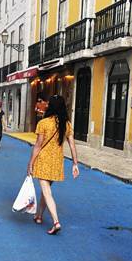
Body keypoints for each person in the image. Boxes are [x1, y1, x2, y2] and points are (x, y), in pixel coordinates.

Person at [27, 95, 80, 235]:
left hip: (44, 160)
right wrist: (75, 163)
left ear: (51, 106)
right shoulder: (67, 124)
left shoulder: (43, 123)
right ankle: (38, 216)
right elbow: (72, 145)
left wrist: (30, 163)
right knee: (46, 191)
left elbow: (38, 146)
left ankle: (56, 221)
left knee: (47, 192)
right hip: (57, 161)